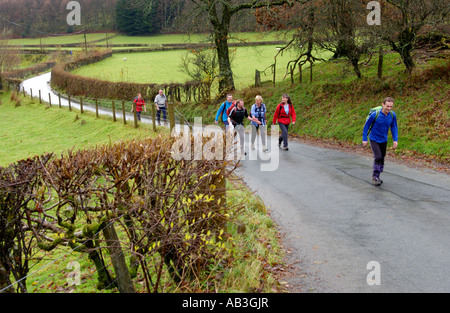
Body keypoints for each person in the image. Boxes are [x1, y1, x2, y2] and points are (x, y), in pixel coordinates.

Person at [362, 97, 398, 186]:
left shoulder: (392, 115)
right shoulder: (375, 114)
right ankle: (375, 176)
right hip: (374, 138)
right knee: (378, 157)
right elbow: (366, 126)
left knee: (382, 158)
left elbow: (394, 127)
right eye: (387, 106)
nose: (389, 109)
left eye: (391, 107)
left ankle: (378, 173)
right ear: (383, 104)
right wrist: (364, 139)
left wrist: (395, 140)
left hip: (384, 139)